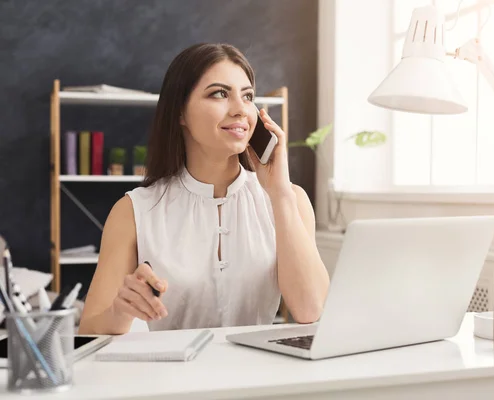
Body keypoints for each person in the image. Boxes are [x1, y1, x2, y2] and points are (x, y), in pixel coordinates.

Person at [78, 43, 330, 335]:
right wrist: (121, 310)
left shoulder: (290, 200)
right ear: (180, 112)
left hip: (259, 376)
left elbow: (311, 311)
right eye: (220, 93)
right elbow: (89, 331)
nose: (240, 109)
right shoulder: (134, 211)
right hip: (170, 378)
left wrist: (280, 193)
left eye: (247, 96)